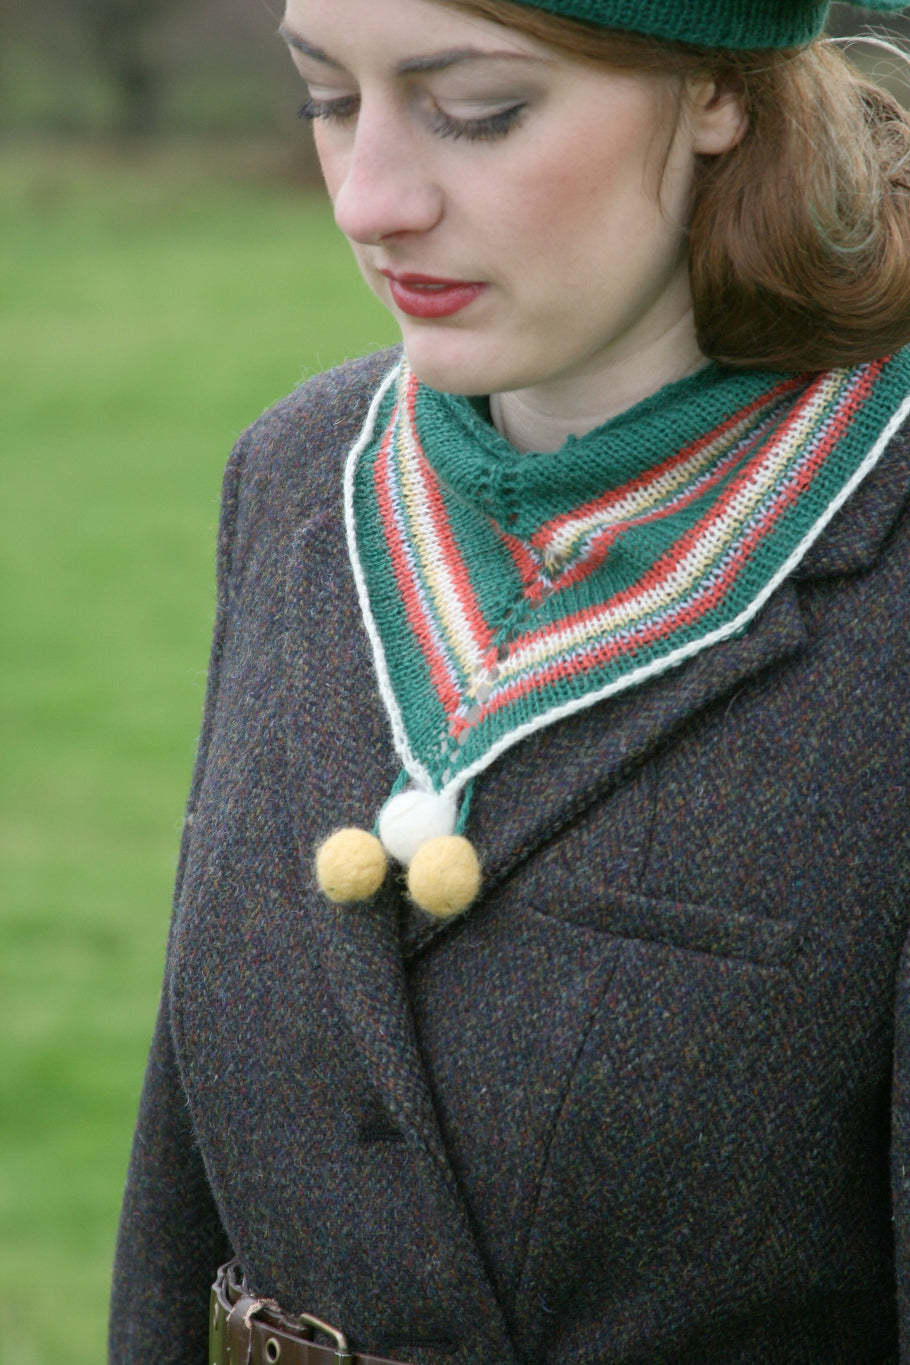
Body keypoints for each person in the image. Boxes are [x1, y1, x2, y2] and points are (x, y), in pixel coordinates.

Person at [109, 0, 910, 1360]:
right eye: (324, 98)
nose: (370, 200)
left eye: (477, 108)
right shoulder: (301, 468)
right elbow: (185, 1173)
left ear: (718, 92)